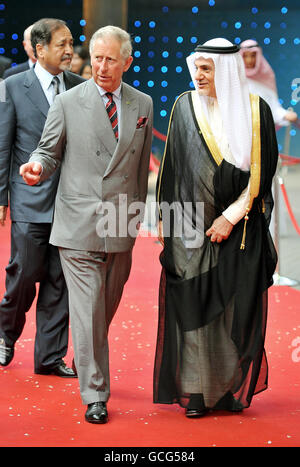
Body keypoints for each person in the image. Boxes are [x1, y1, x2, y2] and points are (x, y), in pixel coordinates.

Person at [20, 25, 153, 424]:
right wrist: (38, 166)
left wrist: (141, 219)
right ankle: (96, 393)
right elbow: (48, 149)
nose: (102, 66)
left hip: (122, 224)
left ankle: (85, 350)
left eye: (111, 59)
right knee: (89, 308)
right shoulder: (67, 101)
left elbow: (142, 163)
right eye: (96, 57)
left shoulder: (142, 103)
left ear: (127, 62)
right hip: (79, 224)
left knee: (102, 309)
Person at [154, 38, 278, 418]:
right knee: (193, 305)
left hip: (240, 229)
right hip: (190, 228)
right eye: (197, 67)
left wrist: (230, 218)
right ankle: (194, 391)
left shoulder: (255, 110)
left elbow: (262, 172)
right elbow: (172, 168)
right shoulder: (184, 104)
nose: (199, 75)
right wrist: (167, 220)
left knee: (231, 309)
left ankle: (224, 389)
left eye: (207, 69)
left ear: (225, 71)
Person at [0, 18, 85, 375]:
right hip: (28, 197)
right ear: (40, 49)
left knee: (59, 280)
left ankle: (50, 357)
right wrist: (1, 198)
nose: (70, 51)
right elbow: (3, 144)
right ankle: (5, 334)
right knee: (24, 274)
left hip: (70, 203)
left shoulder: (80, 87)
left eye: (71, 44)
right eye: (62, 45)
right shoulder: (12, 86)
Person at [240, 39, 297, 127]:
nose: (249, 60)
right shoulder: (236, 76)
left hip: (261, 129)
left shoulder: (267, 75)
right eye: (245, 56)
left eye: (253, 56)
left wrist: (284, 115)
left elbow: (272, 108)